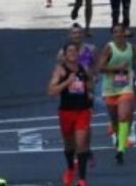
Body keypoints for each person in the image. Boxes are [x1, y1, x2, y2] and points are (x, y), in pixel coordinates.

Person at [48, 40, 94, 186]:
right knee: (69, 145)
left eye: (75, 51)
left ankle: (82, 179)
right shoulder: (60, 70)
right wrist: (67, 81)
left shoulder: (84, 67)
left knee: (81, 145)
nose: (73, 54)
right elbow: (51, 91)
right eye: (70, 52)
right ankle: (70, 168)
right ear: (65, 54)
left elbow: (90, 84)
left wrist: (90, 90)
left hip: (83, 111)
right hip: (66, 111)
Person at [95, 22, 136, 163]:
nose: (118, 34)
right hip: (110, 88)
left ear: (124, 33)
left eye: (120, 32)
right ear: (113, 34)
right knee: (115, 120)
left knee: (123, 116)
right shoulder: (108, 48)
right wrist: (116, 68)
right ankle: (118, 137)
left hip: (125, 87)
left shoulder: (132, 48)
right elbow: (100, 67)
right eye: (115, 32)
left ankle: (121, 148)